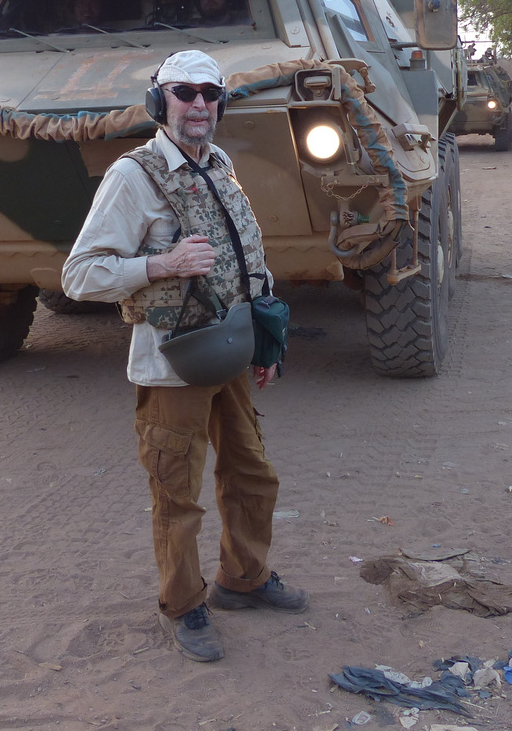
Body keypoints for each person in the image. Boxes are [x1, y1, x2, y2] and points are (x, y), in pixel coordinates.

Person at [60, 50, 305, 663]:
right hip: (172, 362)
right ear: (159, 101)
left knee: (252, 474)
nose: (198, 104)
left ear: (221, 102)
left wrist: (266, 344)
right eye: (184, 92)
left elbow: (250, 262)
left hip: (231, 350)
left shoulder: (218, 166)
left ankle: (242, 581)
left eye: (209, 93)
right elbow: (79, 276)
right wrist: (161, 265)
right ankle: (184, 604)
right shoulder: (133, 177)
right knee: (178, 492)